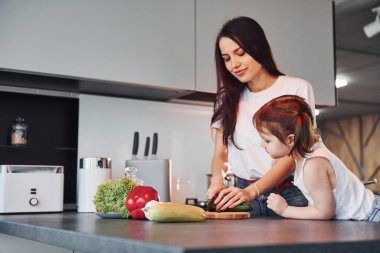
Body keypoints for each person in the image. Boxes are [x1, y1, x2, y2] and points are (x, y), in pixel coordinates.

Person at [208, 16, 315, 216]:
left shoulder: (297, 88)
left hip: (290, 196)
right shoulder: (227, 99)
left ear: (259, 48)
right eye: (227, 58)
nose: (234, 64)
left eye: (240, 53)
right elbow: (220, 153)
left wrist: (254, 190)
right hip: (243, 198)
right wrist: (217, 180)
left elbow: (296, 152)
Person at [253, 95, 380, 221]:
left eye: (267, 140)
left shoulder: (313, 165)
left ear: (291, 139)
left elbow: (324, 212)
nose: (262, 145)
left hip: (371, 216)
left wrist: (285, 210)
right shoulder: (310, 150)